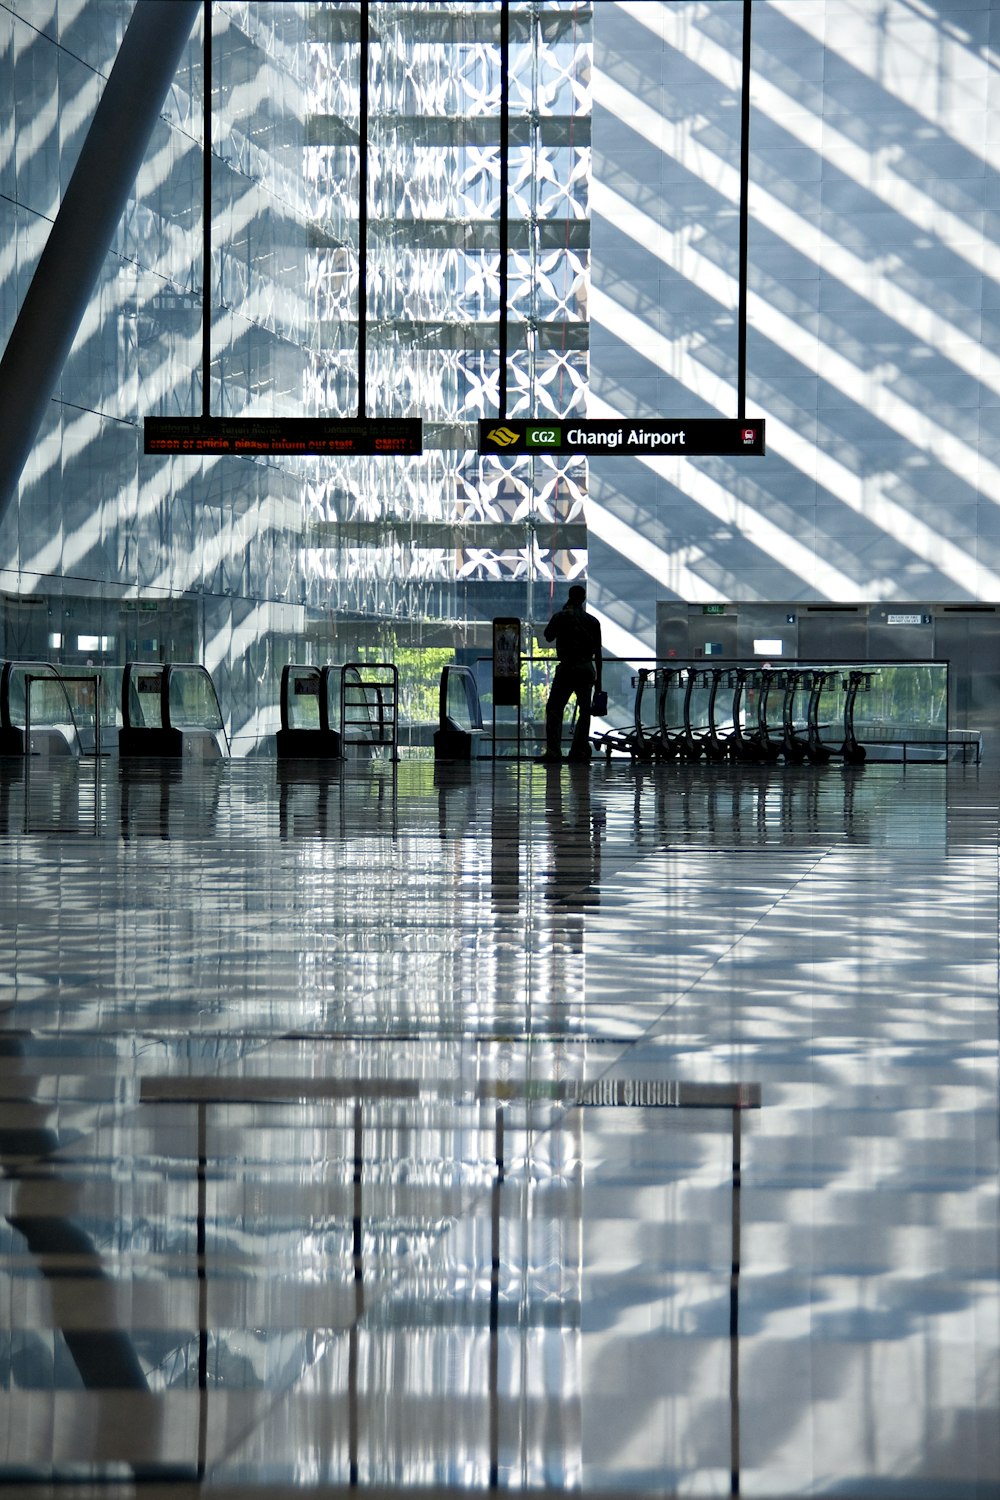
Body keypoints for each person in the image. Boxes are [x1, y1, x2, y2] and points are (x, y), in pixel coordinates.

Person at [537, 583, 602, 763]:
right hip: (586, 668)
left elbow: (548, 635)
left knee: (554, 708)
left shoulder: (561, 617)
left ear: (569, 596)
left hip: (567, 668)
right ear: (583, 599)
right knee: (585, 711)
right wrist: (599, 682)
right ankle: (578, 751)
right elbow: (598, 653)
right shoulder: (592, 621)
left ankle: (554, 752)